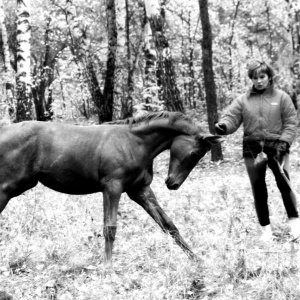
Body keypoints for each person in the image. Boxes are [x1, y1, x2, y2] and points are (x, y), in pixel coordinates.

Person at [215, 59, 300, 242]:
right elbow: (231, 118)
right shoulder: (243, 100)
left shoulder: (282, 97)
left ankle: (295, 227)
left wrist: (284, 142)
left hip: (278, 148)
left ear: (269, 77)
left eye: (262, 76)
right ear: (251, 79)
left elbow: (291, 122)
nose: (259, 81)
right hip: (252, 149)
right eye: (255, 77)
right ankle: (266, 231)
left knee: (285, 185)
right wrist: (223, 126)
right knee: (258, 189)